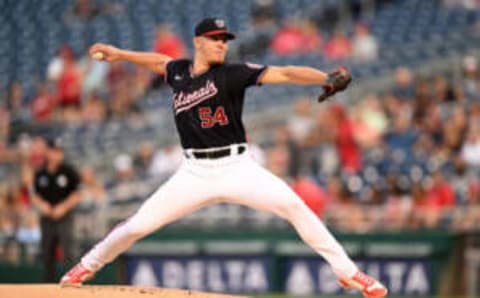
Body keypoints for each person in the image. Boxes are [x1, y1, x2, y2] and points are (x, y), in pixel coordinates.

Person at [60, 17, 387, 298]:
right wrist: (120, 55)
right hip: (194, 172)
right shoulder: (178, 71)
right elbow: (158, 61)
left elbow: (285, 73)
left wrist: (324, 76)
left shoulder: (233, 73)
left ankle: (348, 273)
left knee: (294, 206)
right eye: (215, 39)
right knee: (138, 225)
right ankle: (85, 267)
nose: (221, 44)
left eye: (225, 40)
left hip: (238, 168)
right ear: (197, 42)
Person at [32, 137, 81, 282]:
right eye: (54, 151)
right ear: (48, 152)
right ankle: (48, 285)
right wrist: (42, 205)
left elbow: (77, 194)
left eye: (59, 151)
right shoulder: (40, 172)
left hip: (65, 216)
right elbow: (35, 194)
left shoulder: (69, 171)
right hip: (47, 217)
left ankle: (71, 281)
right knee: (47, 252)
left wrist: (63, 207)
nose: (57, 155)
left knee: (68, 251)